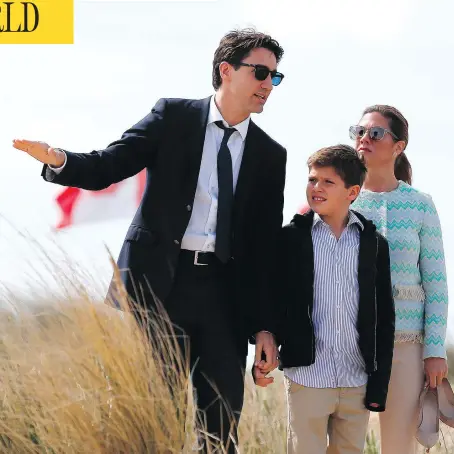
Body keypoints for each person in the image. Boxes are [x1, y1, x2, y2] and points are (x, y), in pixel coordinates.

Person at [12, 28, 287, 453]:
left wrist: (265, 326)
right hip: (157, 289)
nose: (269, 85)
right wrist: (59, 160)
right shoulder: (173, 117)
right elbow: (110, 164)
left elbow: (265, 249)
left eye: (275, 77)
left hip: (224, 301)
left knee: (220, 426)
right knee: (144, 415)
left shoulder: (271, 155)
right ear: (226, 70)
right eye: (261, 73)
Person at [257, 145, 395, 454]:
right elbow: (271, 296)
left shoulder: (373, 245)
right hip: (307, 375)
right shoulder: (290, 239)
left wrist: (378, 383)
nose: (316, 188)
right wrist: (266, 335)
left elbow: (384, 317)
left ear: (352, 192)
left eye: (327, 182)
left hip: (355, 378)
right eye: (312, 180)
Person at [350, 105, 449, 454]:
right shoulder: (341, 199)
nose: (364, 139)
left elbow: (436, 284)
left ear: (398, 146)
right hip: (350, 344)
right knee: (345, 444)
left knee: (399, 446)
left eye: (375, 133)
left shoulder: (421, 205)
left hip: (407, 346)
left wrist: (434, 350)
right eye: (358, 132)